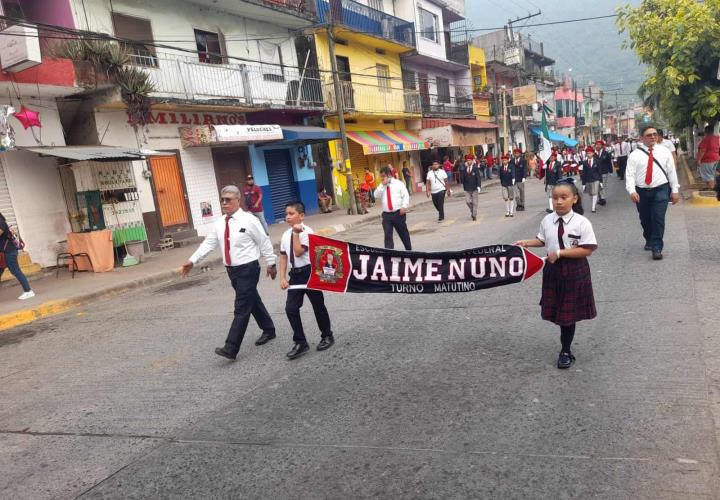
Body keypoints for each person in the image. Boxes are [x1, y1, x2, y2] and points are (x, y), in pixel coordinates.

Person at [181, 185, 277, 360]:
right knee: (251, 300)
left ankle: (231, 347)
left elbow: (264, 241)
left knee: (241, 308)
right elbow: (209, 244)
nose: (224, 203)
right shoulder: (219, 223)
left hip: (248, 269)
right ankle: (269, 329)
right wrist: (192, 260)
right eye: (222, 200)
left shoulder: (249, 220)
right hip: (232, 271)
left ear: (238, 201)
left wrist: (271, 262)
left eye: (228, 200)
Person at [514, 178, 597, 369]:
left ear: (574, 199)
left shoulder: (581, 223)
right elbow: (542, 240)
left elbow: (587, 250)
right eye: (555, 198)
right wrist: (525, 243)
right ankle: (565, 344)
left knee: (568, 315)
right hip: (553, 270)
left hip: (575, 270)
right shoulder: (547, 220)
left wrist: (560, 253)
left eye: (563, 197)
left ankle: (565, 350)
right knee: (559, 312)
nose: (558, 201)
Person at [278, 201, 334, 360]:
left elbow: (297, 252)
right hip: (295, 275)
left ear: (301, 216)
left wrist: (296, 233)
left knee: (318, 305)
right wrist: (282, 277)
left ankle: (327, 335)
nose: (288, 217)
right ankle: (300, 342)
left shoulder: (307, 232)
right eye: (286, 214)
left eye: (291, 214)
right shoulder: (285, 234)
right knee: (291, 308)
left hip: (309, 272)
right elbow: (283, 256)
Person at [626, 124, 680, 260]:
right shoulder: (634, 155)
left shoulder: (664, 152)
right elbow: (630, 175)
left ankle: (657, 247)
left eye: (655, 134)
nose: (653, 137)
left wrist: (675, 190)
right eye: (649, 135)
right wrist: (632, 191)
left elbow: (671, 172)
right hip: (641, 192)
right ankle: (649, 238)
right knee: (645, 218)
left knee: (658, 219)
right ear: (641, 138)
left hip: (661, 190)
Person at [375, 165, 411, 250]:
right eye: (381, 176)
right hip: (386, 215)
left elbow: (405, 195)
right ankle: (389, 254)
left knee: (403, 233)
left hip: (398, 213)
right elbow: (375, 195)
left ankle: (409, 250)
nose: (382, 178)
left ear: (388, 175)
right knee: (387, 235)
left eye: (383, 176)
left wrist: (404, 206)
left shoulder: (398, 183)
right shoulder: (382, 186)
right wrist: (382, 185)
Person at [0, 213, 34, 300]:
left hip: (9, 252)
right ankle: (28, 291)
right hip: (4, 253)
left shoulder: (1, 222)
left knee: (16, 271)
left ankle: (28, 291)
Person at [696, 124, 719, 190]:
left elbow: (703, 150)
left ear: (706, 131)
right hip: (716, 159)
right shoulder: (717, 138)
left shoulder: (706, 139)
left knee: (709, 177)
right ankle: (711, 188)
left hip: (708, 160)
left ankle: (712, 191)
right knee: (712, 175)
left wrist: (699, 160)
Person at [459, 156, 483, 221]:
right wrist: (462, 183)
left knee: (475, 202)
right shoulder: (464, 169)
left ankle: (474, 215)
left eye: (470, 160)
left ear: (472, 161)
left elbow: (478, 178)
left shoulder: (475, 169)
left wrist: (479, 186)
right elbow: (462, 178)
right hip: (467, 188)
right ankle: (472, 210)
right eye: (467, 160)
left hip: (474, 187)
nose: (469, 161)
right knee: (467, 201)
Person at [581, 146, 602, 213]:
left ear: (593, 153)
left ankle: (593, 207)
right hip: (588, 180)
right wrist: (583, 183)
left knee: (595, 192)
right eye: (587, 153)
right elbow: (583, 173)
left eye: (590, 153)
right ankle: (593, 204)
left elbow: (599, 171)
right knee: (591, 194)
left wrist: (601, 181)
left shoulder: (597, 161)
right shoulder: (584, 163)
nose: (589, 154)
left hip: (596, 179)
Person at [595, 140, 613, 206]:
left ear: (602, 146)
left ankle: (602, 199)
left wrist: (611, 171)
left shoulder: (606, 153)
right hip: (595, 173)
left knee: (602, 186)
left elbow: (609, 162)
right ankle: (600, 198)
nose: (598, 146)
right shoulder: (593, 154)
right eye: (597, 144)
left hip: (604, 172)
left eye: (599, 144)